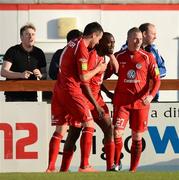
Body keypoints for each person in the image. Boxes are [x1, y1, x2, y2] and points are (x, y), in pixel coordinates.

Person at [46, 22, 106, 173]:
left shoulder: (73, 42)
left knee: (60, 129)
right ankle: (84, 166)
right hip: (70, 90)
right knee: (89, 123)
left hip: (58, 89)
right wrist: (98, 68)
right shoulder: (82, 49)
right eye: (98, 38)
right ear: (93, 35)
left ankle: (51, 168)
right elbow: (84, 77)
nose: (98, 42)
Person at [59, 32, 119, 172]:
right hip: (84, 98)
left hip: (96, 98)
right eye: (109, 42)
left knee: (109, 128)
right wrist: (96, 105)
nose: (112, 45)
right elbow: (84, 82)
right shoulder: (90, 55)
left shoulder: (104, 57)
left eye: (114, 42)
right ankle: (66, 169)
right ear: (100, 41)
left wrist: (106, 92)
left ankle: (110, 167)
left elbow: (112, 72)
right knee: (74, 133)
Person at [109, 27, 161, 172]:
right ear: (128, 39)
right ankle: (117, 164)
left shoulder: (148, 57)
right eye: (135, 38)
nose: (138, 41)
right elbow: (105, 74)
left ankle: (132, 170)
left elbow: (157, 80)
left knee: (137, 137)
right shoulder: (119, 56)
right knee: (117, 133)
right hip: (122, 103)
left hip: (141, 103)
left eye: (140, 38)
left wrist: (150, 96)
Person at [119, 23, 166, 102]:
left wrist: (151, 73)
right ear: (144, 34)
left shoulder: (154, 50)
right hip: (131, 96)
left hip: (152, 96)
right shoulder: (126, 49)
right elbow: (120, 69)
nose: (155, 37)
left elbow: (163, 69)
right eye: (153, 34)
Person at [1, 23, 47, 101]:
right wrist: (21, 75)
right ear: (21, 37)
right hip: (13, 96)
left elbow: (45, 75)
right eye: (27, 34)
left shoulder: (39, 53)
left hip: (32, 95)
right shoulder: (13, 51)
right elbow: (3, 72)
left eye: (33, 34)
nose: (31, 37)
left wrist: (40, 75)